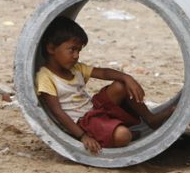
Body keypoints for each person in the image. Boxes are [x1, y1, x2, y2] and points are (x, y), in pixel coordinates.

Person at [37, 16, 174, 154]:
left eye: (79, 51)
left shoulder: (75, 68)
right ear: (51, 48)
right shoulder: (46, 77)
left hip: (93, 109)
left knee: (121, 86)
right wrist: (82, 136)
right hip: (82, 123)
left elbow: (104, 73)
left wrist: (127, 78)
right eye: (72, 50)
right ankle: (127, 134)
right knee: (123, 135)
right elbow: (58, 112)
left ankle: (150, 119)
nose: (76, 56)